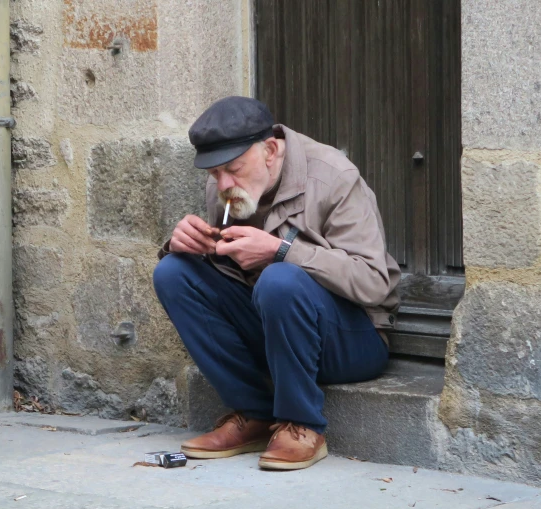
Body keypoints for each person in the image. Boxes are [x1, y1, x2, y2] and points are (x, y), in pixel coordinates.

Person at [153, 96, 400, 471]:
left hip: (352, 337)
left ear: (269, 150)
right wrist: (187, 247)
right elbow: (229, 275)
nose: (223, 184)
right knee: (172, 272)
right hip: (274, 327)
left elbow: (375, 283)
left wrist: (282, 251)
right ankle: (253, 413)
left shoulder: (333, 176)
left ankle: (301, 425)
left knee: (280, 279)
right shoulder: (224, 186)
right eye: (213, 173)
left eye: (233, 169)